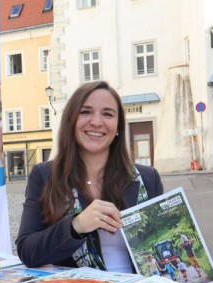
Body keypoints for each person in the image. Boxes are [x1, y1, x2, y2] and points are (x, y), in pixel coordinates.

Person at [16, 81, 164, 272]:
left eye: (108, 114)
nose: (96, 122)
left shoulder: (147, 179)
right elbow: (27, 251)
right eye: (85, 112)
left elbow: (165, 245)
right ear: (71, 120)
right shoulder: (45, 176)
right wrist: (76, 225)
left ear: (118, 126)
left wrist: (211, 276)